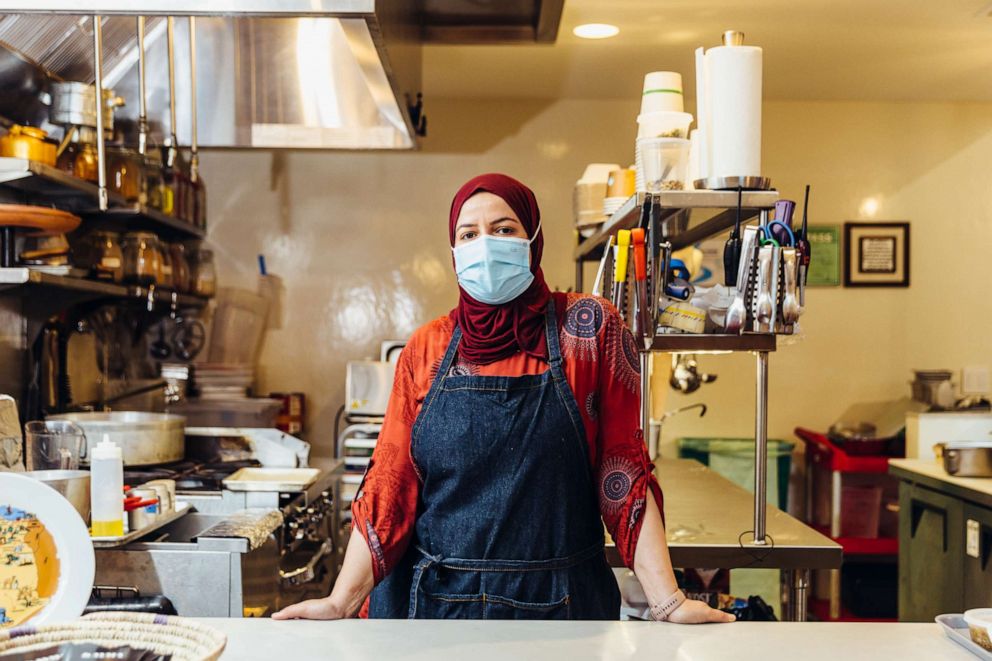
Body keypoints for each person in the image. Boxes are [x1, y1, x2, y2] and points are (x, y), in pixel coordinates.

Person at [274, 173, 734, 623]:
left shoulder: (590, 330)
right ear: (454, 251)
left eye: (503, 230)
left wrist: (667, 599)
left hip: (559, 607)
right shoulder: (427, 349)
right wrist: (340, 601)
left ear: (532, 238)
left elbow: (623, 472)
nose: (485, 246)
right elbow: (390, 485)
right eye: (468, 234)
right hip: (433, 609)